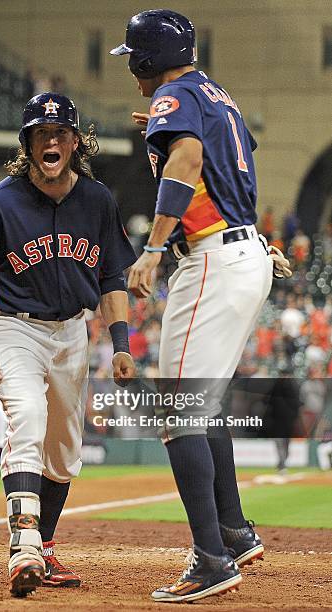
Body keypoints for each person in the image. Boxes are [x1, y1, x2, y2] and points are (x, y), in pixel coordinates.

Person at [111, 9, 289, 604]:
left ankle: (211, 560)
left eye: (132, 57)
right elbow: (229, 160)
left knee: (179, 409)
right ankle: (233, 532)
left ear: (145, 58)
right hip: (242, 252)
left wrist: (154, 247)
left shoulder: (176, 96)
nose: (130, 68)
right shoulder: (218, 96)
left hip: (211, 259)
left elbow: (187, 161)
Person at [0, 92, 136, 597]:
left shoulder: (97, 201)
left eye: (60, 133)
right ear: (27, 143)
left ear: (76, 141)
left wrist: (120, 342)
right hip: (13, 326)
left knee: (65, 448)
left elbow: (113, 276)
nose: (51, 141)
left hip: (74, 330)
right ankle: (24, 543)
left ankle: (43, 548)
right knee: (27, 416)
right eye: (40, 134)